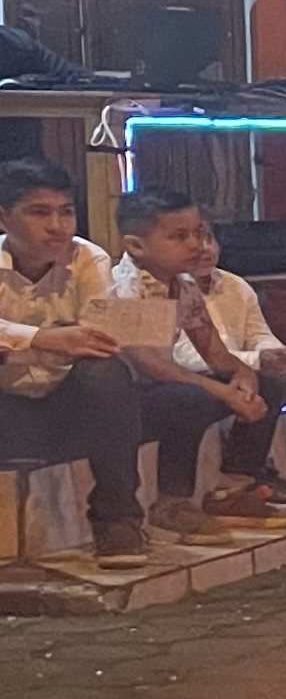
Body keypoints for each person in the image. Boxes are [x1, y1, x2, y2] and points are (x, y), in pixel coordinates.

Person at [106, 190, 286, 540]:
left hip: (161, 386)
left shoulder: (183, 283)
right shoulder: (125, 287)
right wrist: (223, 390)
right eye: (179, 236)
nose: (195, 245)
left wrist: (243, 374)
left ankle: (234, 487)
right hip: (121, 400)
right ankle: (172, 504)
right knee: (188, 399)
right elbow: (149, 365)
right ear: (136, 246)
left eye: (199, 233)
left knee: (272, 383)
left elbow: (212, 348)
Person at [0, 158, 151, 566]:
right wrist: (45, 338)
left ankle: (117, 520)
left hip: (65, 402)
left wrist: (21, 343)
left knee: (106, 371)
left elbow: (97, 337)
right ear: (4, 218)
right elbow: (69, 338)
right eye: (39, 212)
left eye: (66, 212)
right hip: (6, 404)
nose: (57, 226)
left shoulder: (87, 258)